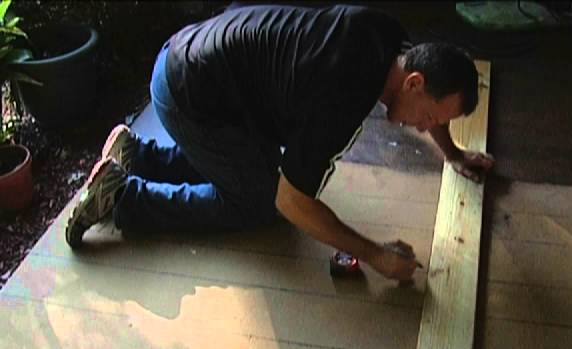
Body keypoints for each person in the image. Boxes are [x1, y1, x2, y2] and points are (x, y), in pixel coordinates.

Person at [65, 3, 494, 281]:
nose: (426, 127)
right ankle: (123, 198)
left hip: (190, 56)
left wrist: (453, 154)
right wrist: (376, 255)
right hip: (187, 95)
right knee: (259, 204)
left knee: (259, 168)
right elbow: (292, 201)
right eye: (431, 118)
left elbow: (432, 100)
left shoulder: (388, 40)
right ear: (414, 82)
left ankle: (138, 156)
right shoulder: (342, 96)